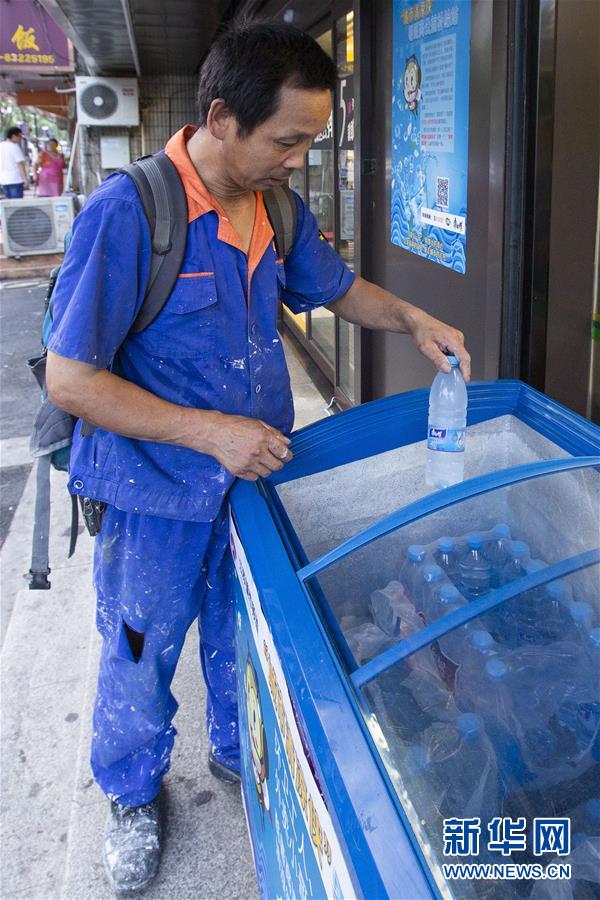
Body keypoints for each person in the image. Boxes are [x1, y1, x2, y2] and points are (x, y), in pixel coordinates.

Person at [46, 20, 471, 896]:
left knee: (244, 629)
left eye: (311, 140)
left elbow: (337, 289)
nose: (300, 158)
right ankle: (130, 789)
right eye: (287, 140)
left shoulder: (275, 208)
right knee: (140, 645)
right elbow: (71, 379)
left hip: (255, 485)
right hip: (153, 496)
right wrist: (210, 432)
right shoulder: (131, 214)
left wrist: (412, 319)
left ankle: (239, 747)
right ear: (220, 119)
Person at [0, 126, 28, 199]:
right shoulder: (14, 147)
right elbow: (20, 165)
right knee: (16, 203)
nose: (21, 138)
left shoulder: (1, 146)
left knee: (9, 203)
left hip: (3, 180)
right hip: (15, 180)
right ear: (13, 136)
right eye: (20, 136)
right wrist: (25, 179)